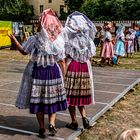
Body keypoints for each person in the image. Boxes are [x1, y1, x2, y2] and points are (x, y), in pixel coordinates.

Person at [8, 8, 67, 138]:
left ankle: (41, 127)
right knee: (53, 100)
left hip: (38, 72)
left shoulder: (34, 40)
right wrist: (64, 76)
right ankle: (51, 123)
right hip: (53, 72)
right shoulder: (58, 40)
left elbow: (24, 51)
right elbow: (62, 61)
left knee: (39, 101)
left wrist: (14, 39)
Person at [63, 11, 97, 130]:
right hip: (84, 68)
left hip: (72, 65)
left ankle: (74, 121)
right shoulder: (88, 39)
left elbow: (65, 53)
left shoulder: (69, 37)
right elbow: (90, 56)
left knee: (71, 97)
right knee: (79, 96)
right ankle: (84, 118)